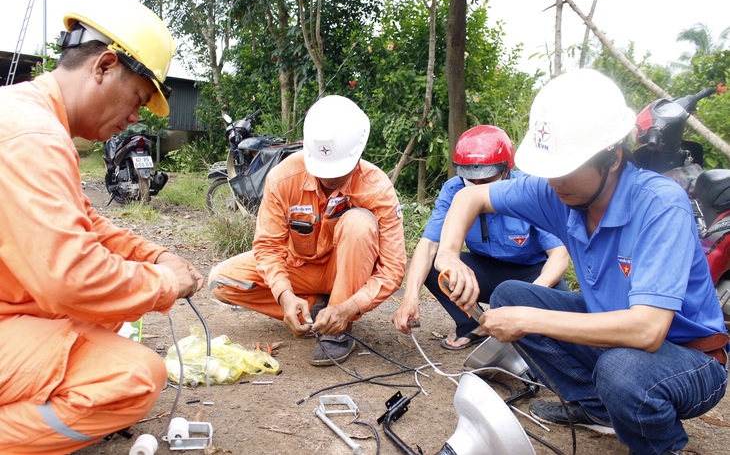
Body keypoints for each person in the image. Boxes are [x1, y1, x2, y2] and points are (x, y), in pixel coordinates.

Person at [435, 69, 728, 454]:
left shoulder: (658, 205)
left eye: (565, 170)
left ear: (612, 158)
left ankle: (661, 447)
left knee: (620, 371)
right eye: (548, 170)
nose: (553, 182)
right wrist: (450, 257)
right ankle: (598, 410)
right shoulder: (558, 192)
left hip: (690, 358)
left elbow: (647, 330)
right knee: (510, 295)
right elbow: (469, 199)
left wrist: (527, 321)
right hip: (615, 333)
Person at [0, 0, 204, 454]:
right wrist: (163, 283)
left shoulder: (30, 115)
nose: (135, 117)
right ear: (104, 65)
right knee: (133, 377)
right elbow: (72, 278)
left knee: (109, 315)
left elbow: (86, 223)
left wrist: (157, 256)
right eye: (136, 98)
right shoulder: (33, 136)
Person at [209, 95, 407, 366]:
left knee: (358, 223)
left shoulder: (377, 188)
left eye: (338, 172)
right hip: (300, 270)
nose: (328, 178)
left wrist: (349, 307)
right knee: (222, 281)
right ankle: (313, 306)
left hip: (346, 273)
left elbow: (392, 269)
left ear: (358, 153)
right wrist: (285, 296)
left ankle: (339, 325)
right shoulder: (283, 178)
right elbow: (267, 246)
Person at [392, 125, 570, 349]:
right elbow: (428, 246)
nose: (477, 186)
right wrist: (410, 297)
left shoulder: (529, 189)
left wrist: (527, 297)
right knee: (433, 266)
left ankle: (525, 329)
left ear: (506, 170)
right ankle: (473, 325)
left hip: (531, 272)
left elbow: (559, 256)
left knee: (564, 316)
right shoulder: (453, 190)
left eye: (486, 180)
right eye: (470, 179)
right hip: (483, 270)